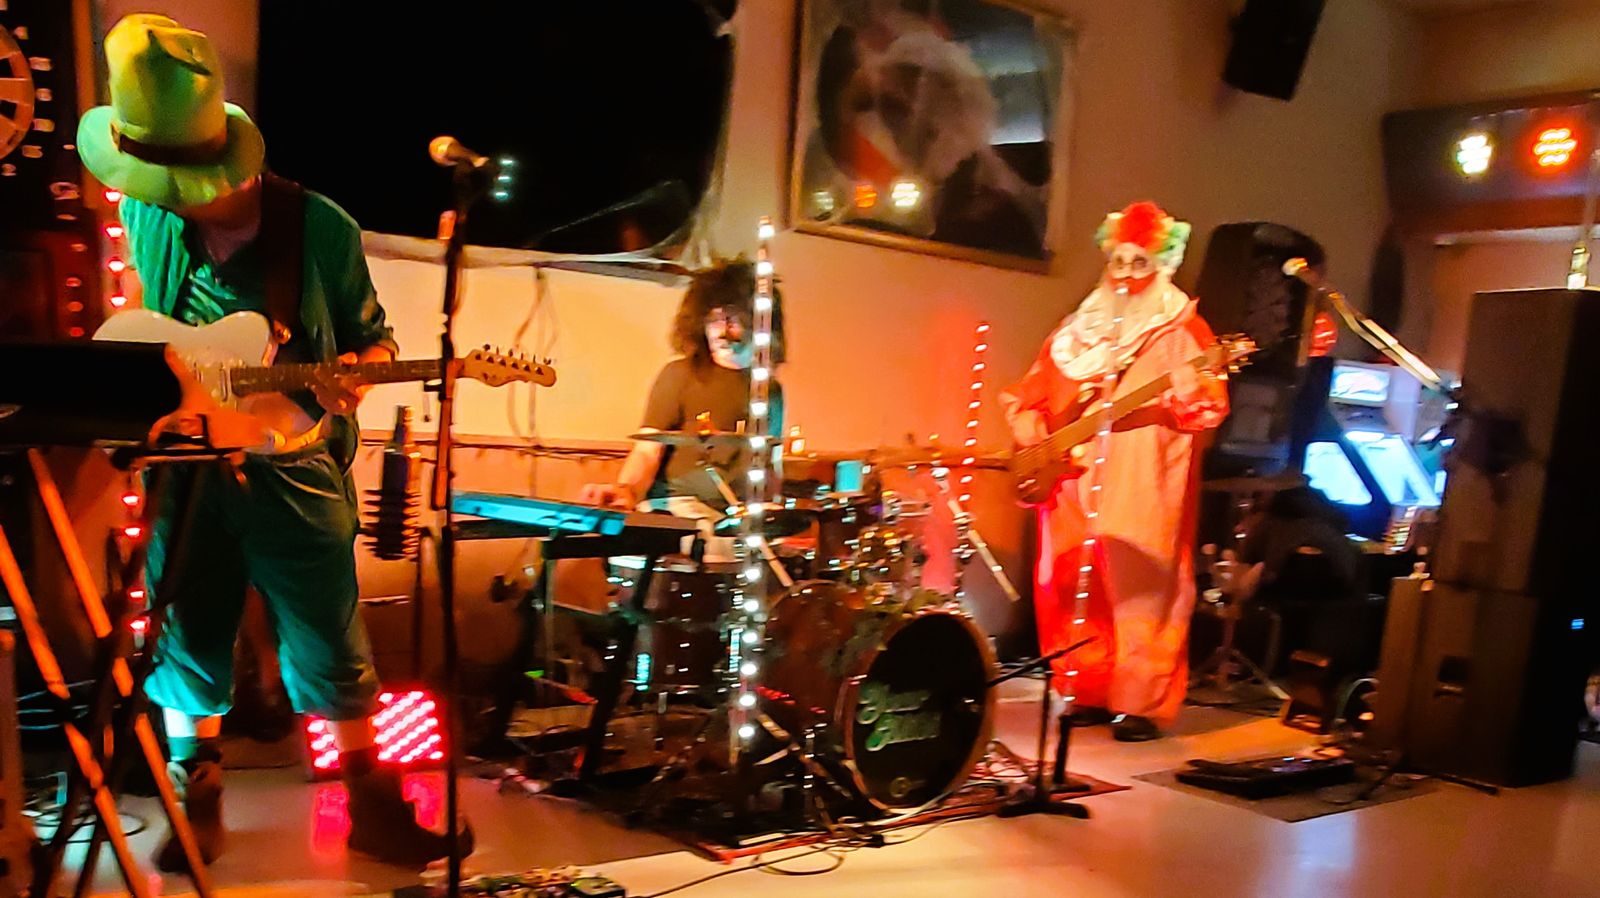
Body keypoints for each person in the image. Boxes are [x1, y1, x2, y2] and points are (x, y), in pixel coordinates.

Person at [77, 15, 466, 869]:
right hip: (190, 465)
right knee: (186, 634)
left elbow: (373, 338)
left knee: (329, 639)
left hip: (295, 466)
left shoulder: (318, 228)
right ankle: (197, 798)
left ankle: (370, 806)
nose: (157, 195)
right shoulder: (148, 215)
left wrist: (356, 374)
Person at [1001, 201, 1229, 742]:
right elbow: (1031, 391)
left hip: (1142, 474)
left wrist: (1188, 394)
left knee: (1142, 585)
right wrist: (1031, 425)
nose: (1126, 275)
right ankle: (1085, 685)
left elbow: (1208, 405)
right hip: (1071, 477)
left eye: (1139, 262)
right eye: (1119, 262)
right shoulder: (1074, 332)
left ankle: (1140, 702)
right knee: (1070, 581)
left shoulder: (1182, 330)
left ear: (1161, 265)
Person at [580, 260, 784, 516]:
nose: (720, 332)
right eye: (713, 320)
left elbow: (770, 464)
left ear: (757, 322)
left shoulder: (771, 390)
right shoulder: (679, 374)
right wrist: (627, 490)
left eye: (732, 320)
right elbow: (647, 451)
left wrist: (772, 511)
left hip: (736, 513)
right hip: (678, 507)